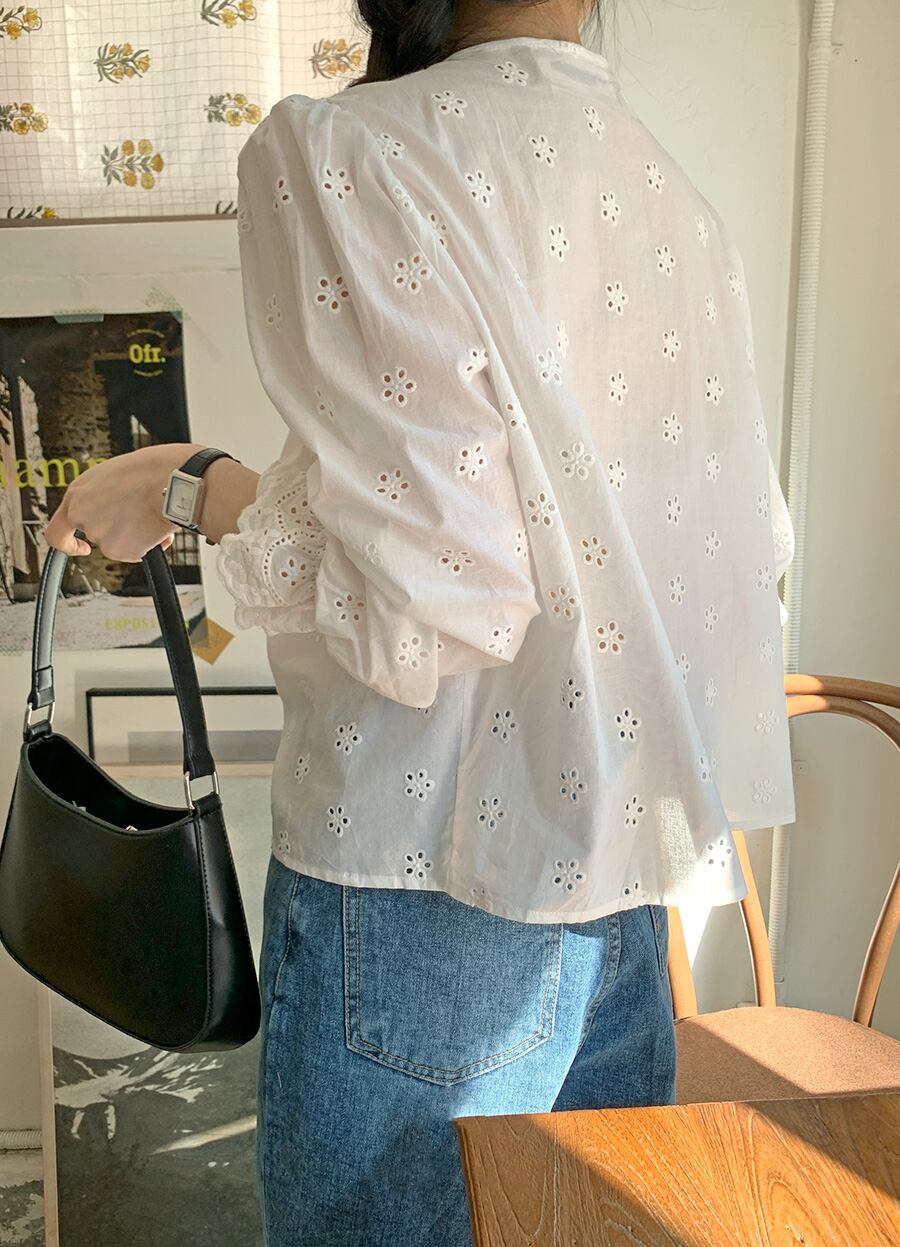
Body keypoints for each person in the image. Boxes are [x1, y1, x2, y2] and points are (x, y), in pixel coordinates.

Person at [44, 0, 796, 1242]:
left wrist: (192, 486)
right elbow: (747, 547)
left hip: (424, 885)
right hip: (620, 900)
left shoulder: (352, 149)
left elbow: (432, 609)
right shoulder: (670, 190)